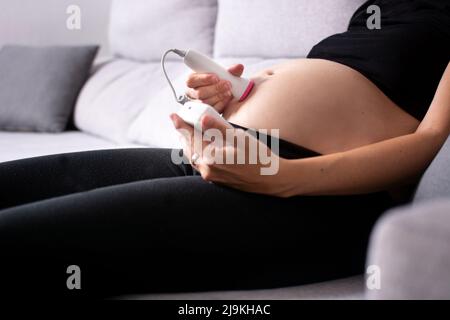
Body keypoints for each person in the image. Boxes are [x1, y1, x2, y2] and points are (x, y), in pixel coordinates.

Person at [0, 0, 449, 297]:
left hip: (319, 195)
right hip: (229, 160)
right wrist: (235, 96)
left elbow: (430, 144)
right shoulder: (379, 9)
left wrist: (282, 178)